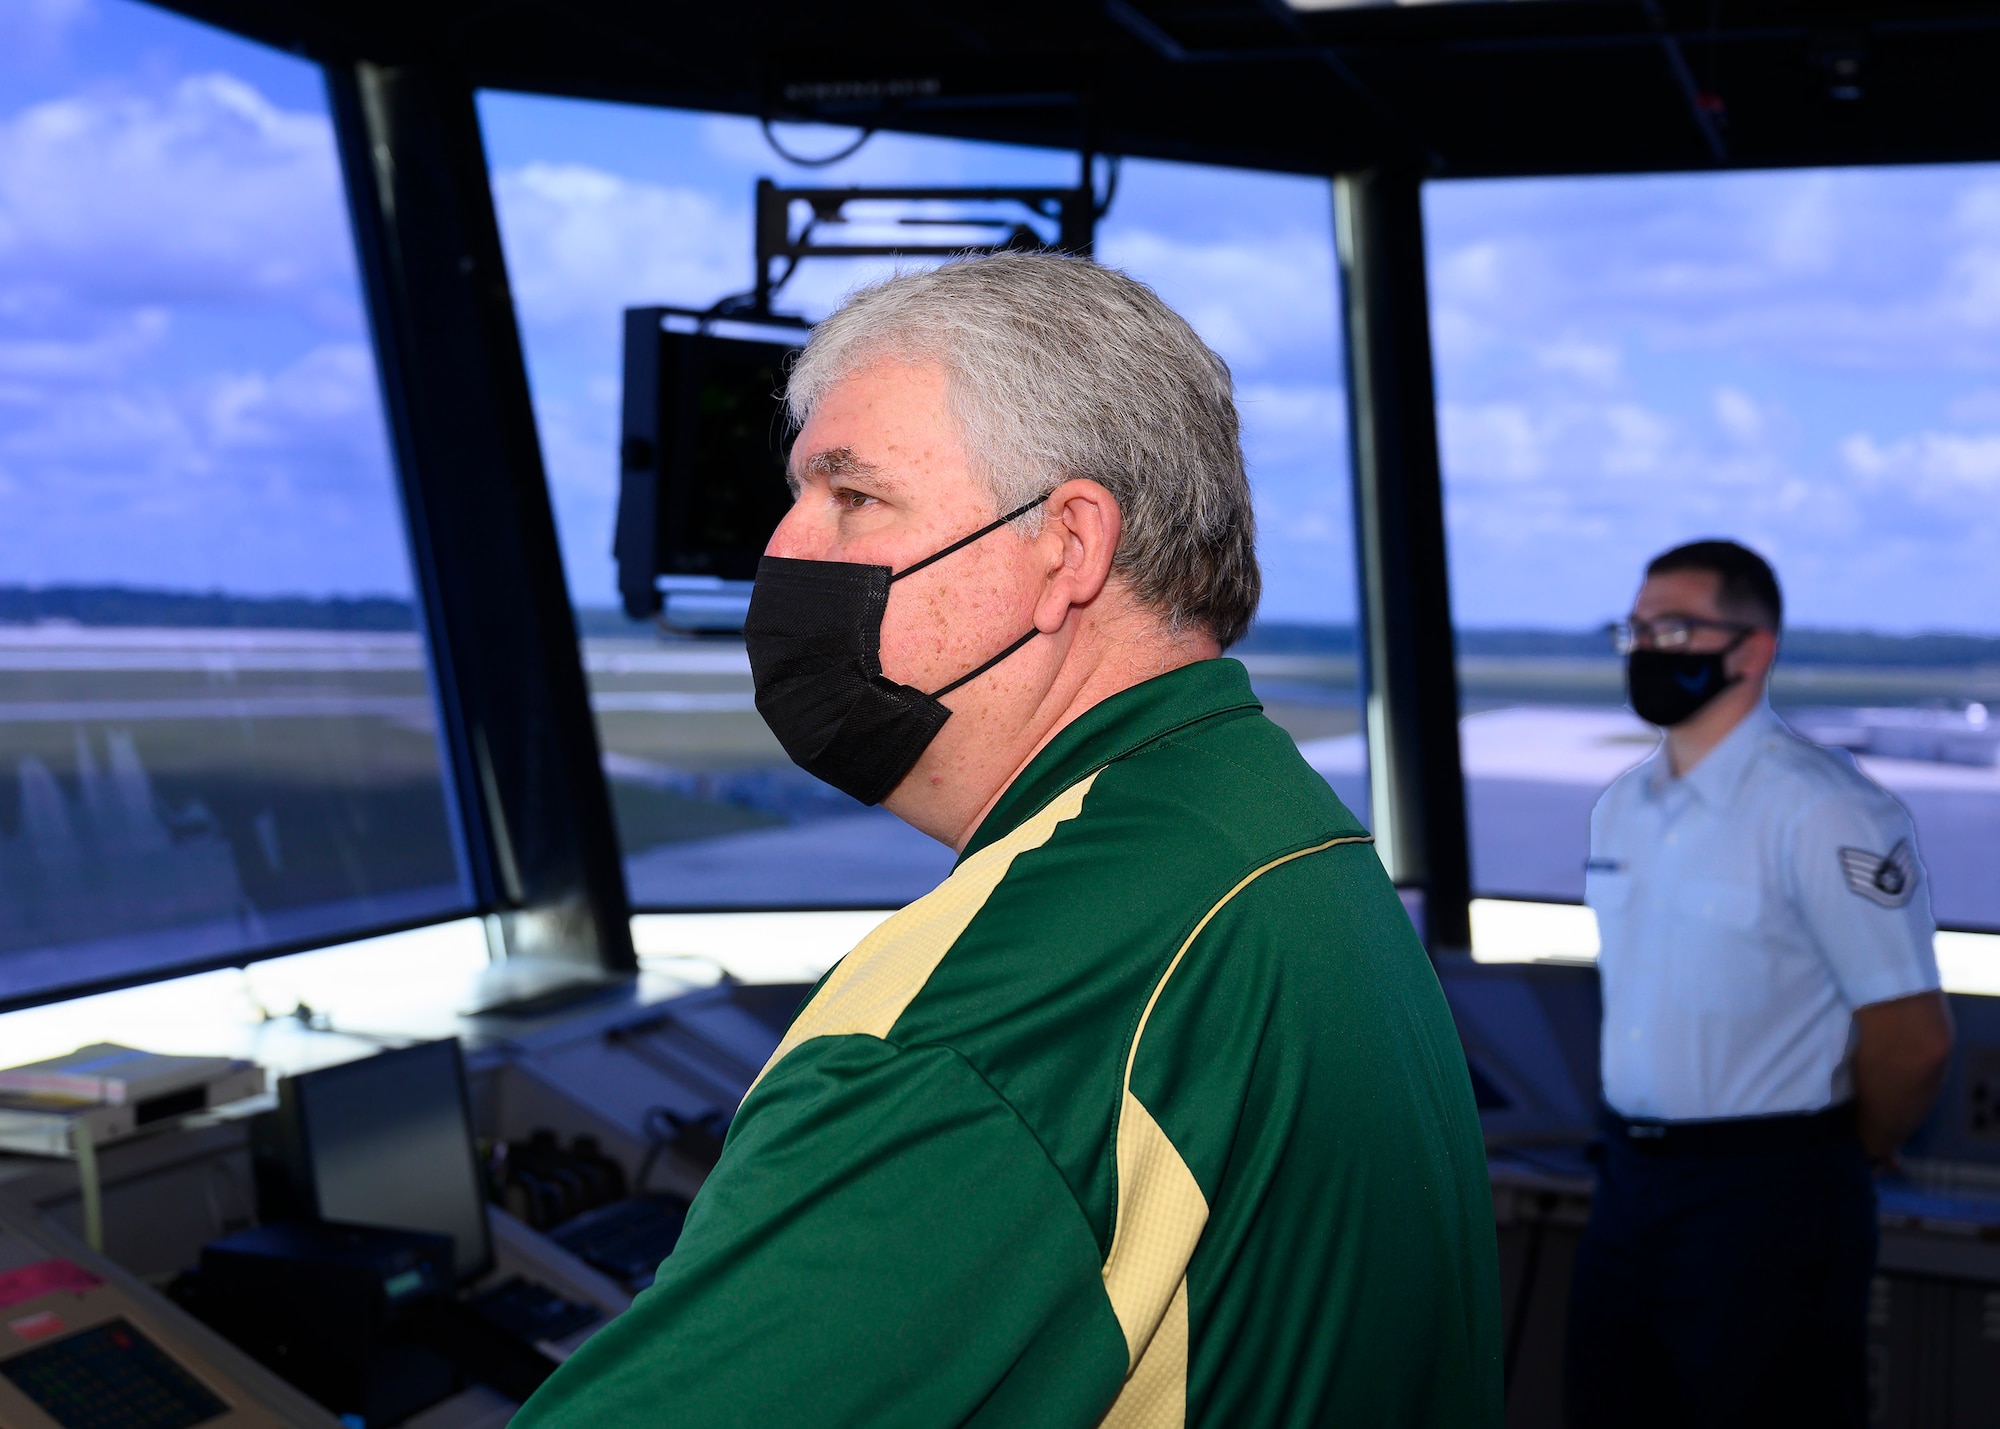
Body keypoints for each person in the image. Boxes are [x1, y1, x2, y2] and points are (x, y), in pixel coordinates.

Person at [514, 254, 1501, 1426]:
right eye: (794, 495)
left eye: (851, 496)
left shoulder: (989, 1009)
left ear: (1066, 546)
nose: (782, 551)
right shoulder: (1280, 842)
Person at [1567, 540, 1954, 1428]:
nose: (1647, 648)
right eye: (1635, 628)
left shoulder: (1826, 810)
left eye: (1674, 627)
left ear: (1753, 649)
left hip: (1771, 1194)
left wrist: (1838, 1152)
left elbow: (1913, 1034)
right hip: (1628, 1183)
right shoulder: (1622, 805)